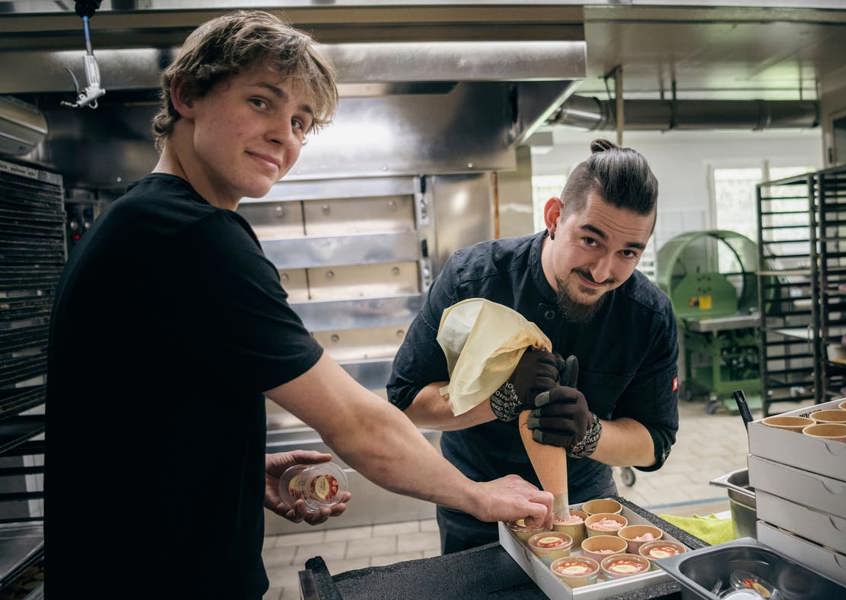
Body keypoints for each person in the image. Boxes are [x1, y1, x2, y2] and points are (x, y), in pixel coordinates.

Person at [44, 11, 552, 599]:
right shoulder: (193, 235)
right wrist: (479, 495)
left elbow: (132, 411)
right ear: (186, 95)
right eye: (262, 102)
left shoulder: (142, 220)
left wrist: (234, 470)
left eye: (301, 122)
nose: (285, 135)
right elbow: (356, 424)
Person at [388, 139, 680, 554]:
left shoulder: (647, 315)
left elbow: (656, 441)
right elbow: (407, 404)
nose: (602, 271)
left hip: (586, 509)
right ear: (555, 217)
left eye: (627, 253)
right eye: (590, 241)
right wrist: (500, 397)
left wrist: (590, 434)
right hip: (477, 505)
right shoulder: (473, 279)